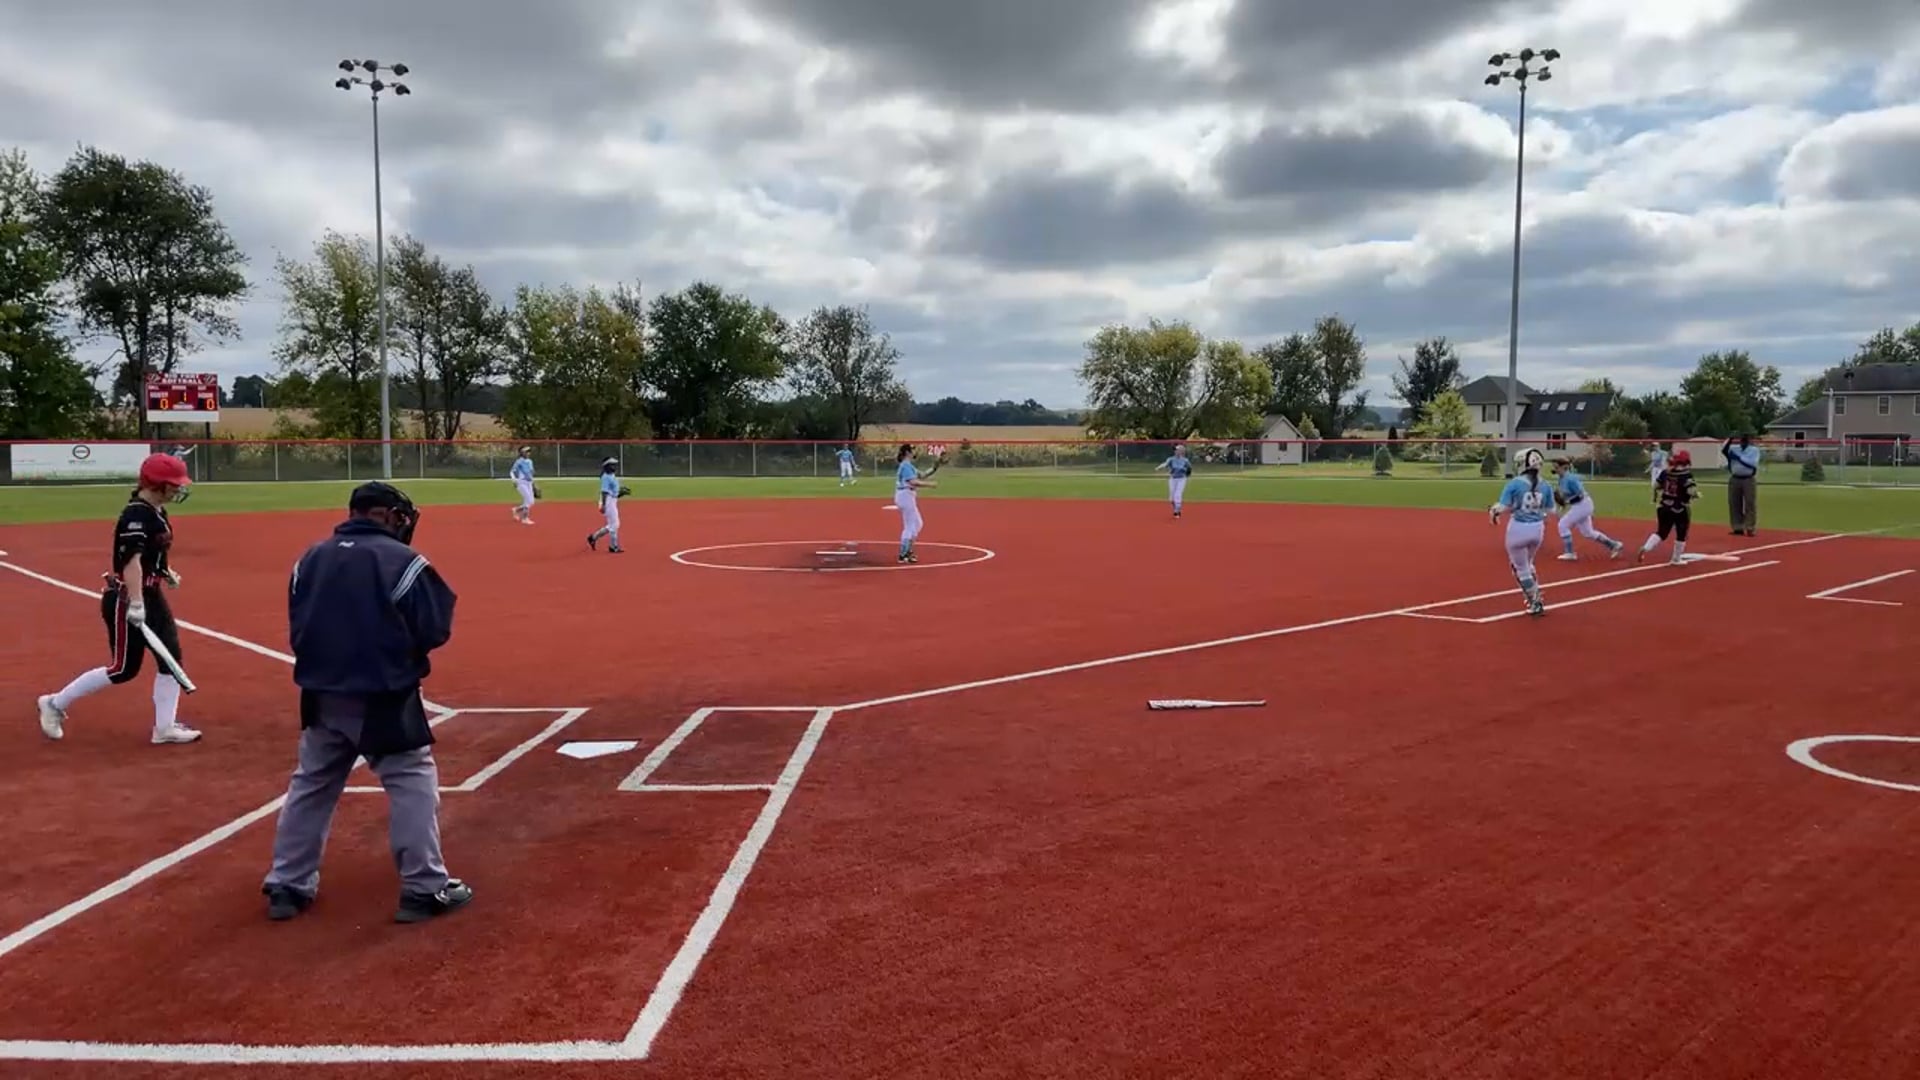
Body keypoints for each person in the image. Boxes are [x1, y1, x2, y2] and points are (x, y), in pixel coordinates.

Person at [261, 481, 471, 924]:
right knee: (412, 781)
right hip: (383, 694)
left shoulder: (311, 557)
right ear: (385, 515)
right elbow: (434, 627)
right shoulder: (402, 560)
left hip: (320, 692)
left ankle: (287, 884)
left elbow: (299, 622)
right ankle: (424, 886)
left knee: (312, 784)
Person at [36, 452, 203, 745]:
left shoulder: (156, 511)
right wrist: (136, 603)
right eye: (174, 483)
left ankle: (164, 728)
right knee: (123, 669)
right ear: (157, 484)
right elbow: (131, 562)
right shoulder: (135, 516)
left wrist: (165, 572)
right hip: (127, 599)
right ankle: (54, 703)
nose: (179, 488)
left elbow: (152, 554)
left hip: (151, 594)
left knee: (170, 659)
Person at [1489, 448, 1553, 617]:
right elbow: (1550, 510)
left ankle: (1535, 600)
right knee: (1528, 564)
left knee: (1520, 568)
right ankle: (1535, 595)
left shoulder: (1515, 483)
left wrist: (1494, 512)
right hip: (1537, 529)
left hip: (1518, 529)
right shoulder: (1546, 485)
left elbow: (1502, 507)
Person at [1549, 456, 1625, 561]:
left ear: (1564, 467)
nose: (1555, 469)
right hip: (1580, 506)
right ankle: (1614, 545)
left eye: (1557, 467)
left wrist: (1566, 502)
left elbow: (1580, 495)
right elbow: (1566, 496)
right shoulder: (1561, 479)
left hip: (1583, 505)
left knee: (1563, 525)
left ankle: (1570, 552)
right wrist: (1562, 504)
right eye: (1554, 467)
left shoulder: (1570, 479)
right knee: (1588, 532)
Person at [1637, 448, 1701, 564]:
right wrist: (1696, 494)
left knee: (1661, 532)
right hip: (1680, 508)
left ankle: (1646, 547)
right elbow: (1690, 491)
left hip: (1664, 506)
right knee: (1681, 533)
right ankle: (1676, 558)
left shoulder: (1665, 472)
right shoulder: (1686, 475)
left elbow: (1656, 486)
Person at [894, 443, 941, 563]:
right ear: (907, 452)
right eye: (912, 450)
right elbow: (913, 482)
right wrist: (930, 485)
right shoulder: (905, 465)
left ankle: (908, 550)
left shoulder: (909, 466)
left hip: (907, 495)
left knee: (918, 523)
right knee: (910, 525)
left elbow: (922, 475)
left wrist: (935, 467)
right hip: (905, 495)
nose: (914, 452)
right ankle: (903, 554)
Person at [587, 457, 627, 554]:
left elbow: (613, 492)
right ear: (607, 466)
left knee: (612, 524)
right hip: (608, 501)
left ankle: (593, 537)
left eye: (614, 465)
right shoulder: (606, 477)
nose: (614, 467)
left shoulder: (611, 475)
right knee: (614, 524)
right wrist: (604, 505)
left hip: (612, 500)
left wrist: (621, 493)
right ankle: (613, 546)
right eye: (612, 465)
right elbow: (605, 492)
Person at [1723, 434, 1760, 536]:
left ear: (1749, 441)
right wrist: (1729, 439)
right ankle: (1737, 527)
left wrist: (1739, 458)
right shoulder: (1735, 449)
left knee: (1750, 503)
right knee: (1734, 503)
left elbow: (1752, 464)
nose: (1743, 442)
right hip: (1735, 478)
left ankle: (1750, 527)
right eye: (1742, 440)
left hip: (1748, 478)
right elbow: (1724, 450)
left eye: (1745, 440)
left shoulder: (1754, 450)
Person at [1155, 443, 1193, 518]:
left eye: (1178, 450)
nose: (1176, 451)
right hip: (1173, 479)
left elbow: (1189, 468)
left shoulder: (1185, 460)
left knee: (1177, 495)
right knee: (1172, 498)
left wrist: (1187, 474)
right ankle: (1176, 509)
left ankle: (1177, 511)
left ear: (1181, 451)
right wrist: (1158, 467)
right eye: (1175, 450)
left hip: (1181, 479)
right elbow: (1165, 464)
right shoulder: (1171, 459)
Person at [509, 445, 538, 525]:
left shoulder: (530, 461)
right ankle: (525, 518)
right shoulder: (519, 462)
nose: (528, 453)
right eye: (526, 452)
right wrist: (514, 481)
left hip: (529, 483)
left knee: (531, 502)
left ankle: (516, 510)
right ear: (522, 453)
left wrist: (533, 483)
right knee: (528, 500)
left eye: (529, 452)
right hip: (521, 483)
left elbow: (531, 473)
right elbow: (512, 471)